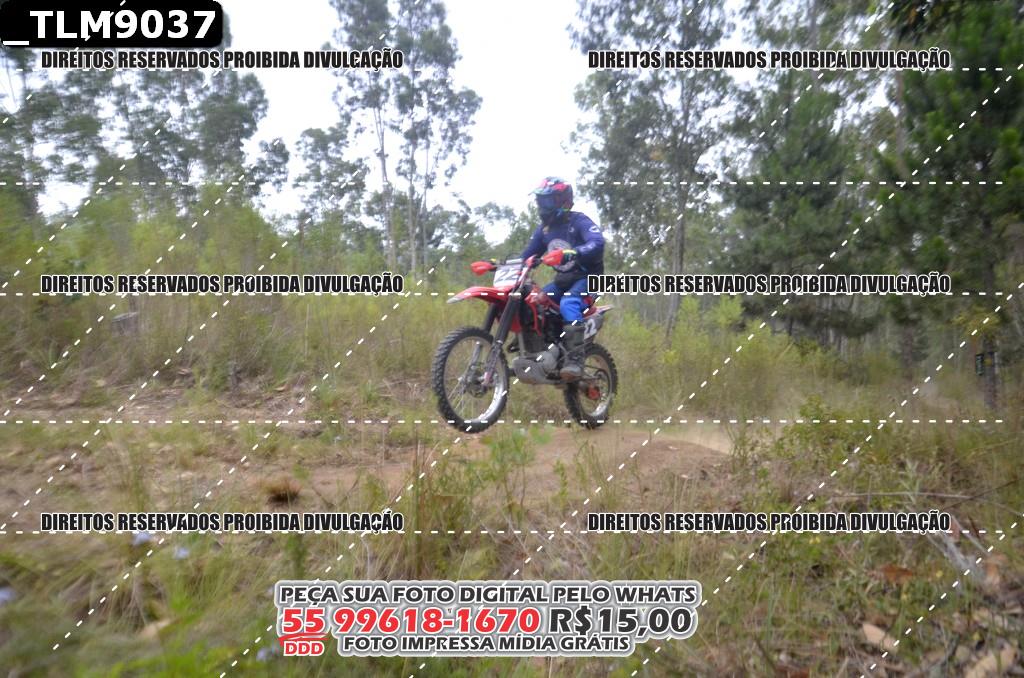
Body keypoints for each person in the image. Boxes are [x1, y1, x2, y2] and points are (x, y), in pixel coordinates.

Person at [520, 176, 605, 379]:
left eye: (547, 201)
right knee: (534, 301)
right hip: (564, 280)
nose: (543, 206)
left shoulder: (578, 221)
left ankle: (575, 359)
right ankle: (546, 347)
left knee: (569, 303)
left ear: (563, 201)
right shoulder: (544, 230)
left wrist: (573, 253)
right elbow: (526, 256)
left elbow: (597, 242)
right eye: (540, 201)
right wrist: (498, 264)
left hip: (590, 278)